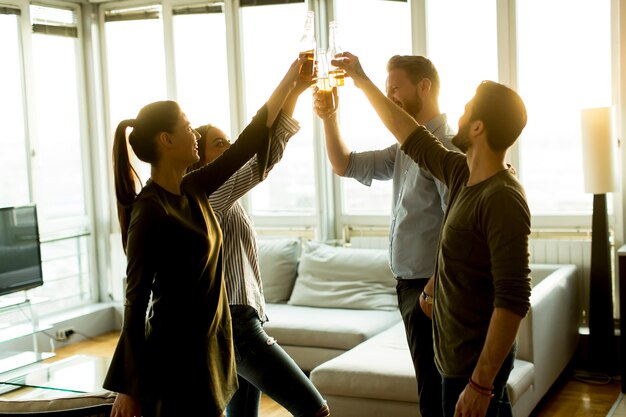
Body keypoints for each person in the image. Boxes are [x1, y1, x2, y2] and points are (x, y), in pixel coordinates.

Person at [104, 56, 309, 417]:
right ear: (167, 140)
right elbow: (135, 302)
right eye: (187, 126)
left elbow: (250, 140)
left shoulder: (195, 188)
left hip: (211, 350)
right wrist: (128, 386)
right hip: (174, 359)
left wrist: (291, 79)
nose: (195, 134)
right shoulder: (149, 210)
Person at [330, 52, 531, 417]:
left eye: (468, 108)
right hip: (453, 355)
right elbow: (408, 134)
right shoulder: (460, 173)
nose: (459, 113)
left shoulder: (503, 196)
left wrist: (481, 382)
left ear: (478, 128)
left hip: (475, 365)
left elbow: (513, 298)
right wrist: (360, 80)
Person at [313, 55, 456, 417]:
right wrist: (329, 118)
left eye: (395, 87)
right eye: (387, 88)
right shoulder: (404, 149)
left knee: (437, 395)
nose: (390, 95)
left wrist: (434, 287)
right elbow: (344, 164)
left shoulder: (445, 148)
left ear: (424, 86)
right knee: (431, 389)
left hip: (431, 290)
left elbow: (459, 227)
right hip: (412, 288)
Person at [185, 81, 330, 416]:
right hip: (236, 325)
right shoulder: (212, 197)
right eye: (220, 144)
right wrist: (293, 91)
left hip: (237, 323)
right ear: (201, 160)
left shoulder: (222, 199)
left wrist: (294, 93)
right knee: (315, 410)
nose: (231, 147)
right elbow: (266, 159)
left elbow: (265, 156)